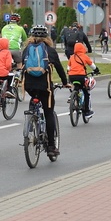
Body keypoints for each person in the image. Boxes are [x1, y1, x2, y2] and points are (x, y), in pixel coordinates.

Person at [21, 25, 69, 160]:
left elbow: (21, 65)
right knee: (49, 113)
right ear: (47, 37)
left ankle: (31, 124)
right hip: (45, 87)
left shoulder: (26, 50)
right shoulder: (50, 51)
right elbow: (59, 68)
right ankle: (51, 147)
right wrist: (65, 82)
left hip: (29, 87)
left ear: (31, 36)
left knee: (34, 101)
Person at [67, 41, 99, 119]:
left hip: (71, 76)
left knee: (76, 87)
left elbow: (68, 68)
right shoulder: (84, 56)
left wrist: (70, 73)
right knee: (86, 92)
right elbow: (92, 65)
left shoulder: (72, 57)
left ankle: (72, 97)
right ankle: (87, 111)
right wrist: (96, 70)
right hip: (81, 76)